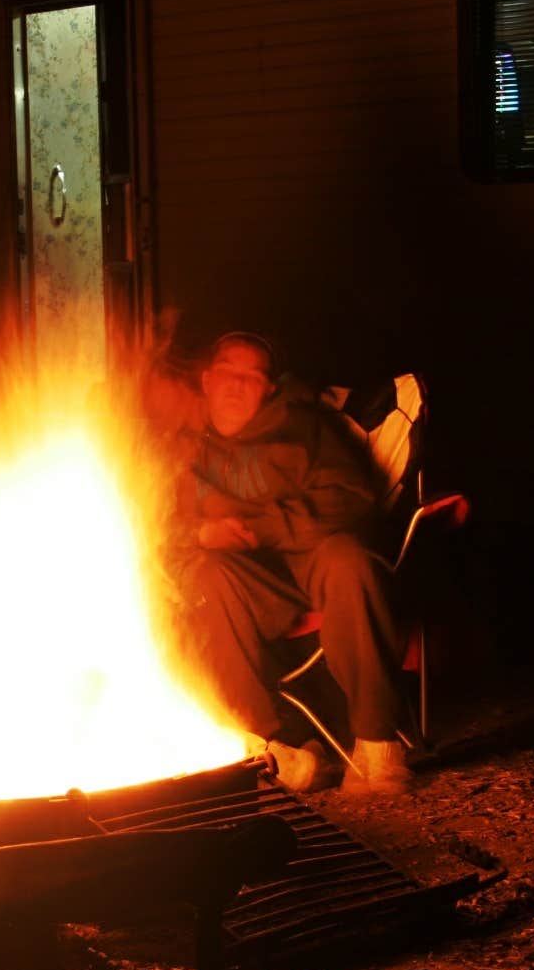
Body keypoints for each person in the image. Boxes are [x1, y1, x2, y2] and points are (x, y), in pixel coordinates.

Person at [173, 332, 414, 794]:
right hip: (243, 580)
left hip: (313, 561)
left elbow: (351, 499)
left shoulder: (305, 428)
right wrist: (200, 533)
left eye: (251, 376)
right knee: (204, 578)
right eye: (227, 372)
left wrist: (264, 526)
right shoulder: (180, 443)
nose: (236, 385)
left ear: (269, 388)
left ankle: (377, 743)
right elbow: (148, 517)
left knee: (351, 563)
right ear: (207, 380)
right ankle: (270, 746)